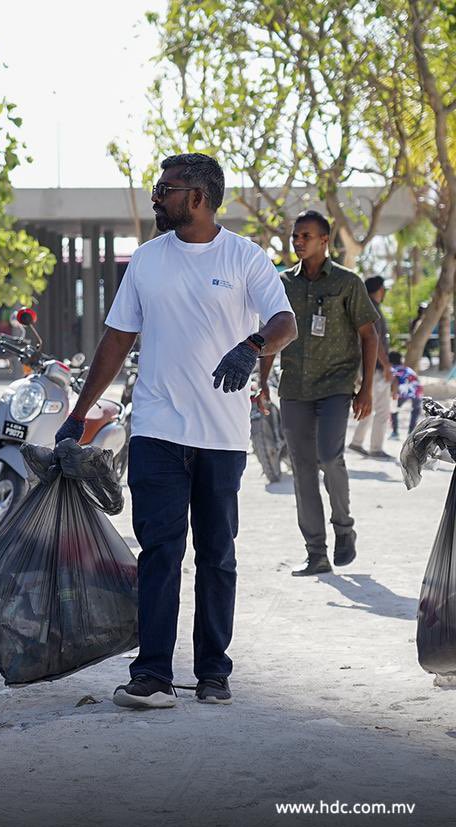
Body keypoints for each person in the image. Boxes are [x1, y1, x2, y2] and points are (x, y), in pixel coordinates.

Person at [58, 154, 296, 708]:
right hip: (157, 431)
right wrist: (79, 412)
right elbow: (116, 340)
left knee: (217, 554)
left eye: (165, 190)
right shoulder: (146, 260)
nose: (156, 198)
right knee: (160, 552)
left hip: (222, 436)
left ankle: (213, 671)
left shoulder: (245, 257)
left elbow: (283, 321)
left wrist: (253, 345)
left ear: (197, 197)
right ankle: (153, 675)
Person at [256, 212, 379, 577]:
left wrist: (366, 388)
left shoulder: (347, 282)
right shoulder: (283, 284)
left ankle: (344, 527)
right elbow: (270, 337)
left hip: (336, 386)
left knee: (329, 455)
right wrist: (263, 383)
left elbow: (369, 335)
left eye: (306, 236)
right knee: (303, 471)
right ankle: (316, 552)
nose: (298, 241)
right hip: (294, 389)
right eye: (295, 236)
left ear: (324, 240)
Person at [348, 275, 395, 459]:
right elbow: (376, 342)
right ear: (380, 289)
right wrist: (387, 365)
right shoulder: (373, 310)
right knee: (381, 409)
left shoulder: (365, 308)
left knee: (370, 405)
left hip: (367, 367)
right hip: (374, 368)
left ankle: (357, 442)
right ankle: (375, 447)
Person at [390, 351, 423, 439]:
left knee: (394, 410)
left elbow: (395, 380)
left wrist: (394, 394)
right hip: (417, 389)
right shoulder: (407, 368)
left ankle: (395, 433)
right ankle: (411, 433)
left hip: (403, 390)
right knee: (415, 411)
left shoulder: (392, 368)